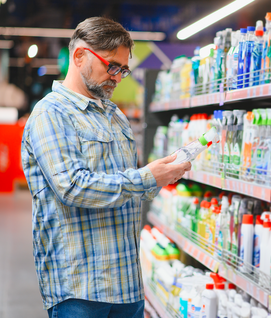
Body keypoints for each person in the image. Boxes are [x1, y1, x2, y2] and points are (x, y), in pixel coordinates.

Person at [21, 17, 190, 318]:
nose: (118, 77)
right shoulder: (50, 114)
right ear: (79, 56)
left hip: (126, 283)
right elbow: (72, 187)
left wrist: (161, 175)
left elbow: (128, 187)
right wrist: (145, 178)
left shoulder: (115, 116)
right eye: (112, 65)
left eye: (124, 69)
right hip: (79, 287)